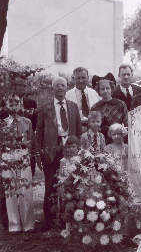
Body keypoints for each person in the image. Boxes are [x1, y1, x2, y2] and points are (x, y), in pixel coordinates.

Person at [35, 77, 82, 230]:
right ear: (53, 89)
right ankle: (48, 220)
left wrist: (79, 151)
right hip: (51, 150)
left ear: (66, 87)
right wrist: (39, 152)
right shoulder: (45, 107)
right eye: (57, 86)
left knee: (72, 184)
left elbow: (79, 130)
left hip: (70, 148)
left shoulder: (73, 106)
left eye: (63, 85)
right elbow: (39, 131)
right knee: (50, 185)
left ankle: (69, 219)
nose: (60, 88)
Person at [2, 93, 35, 233]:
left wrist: (28, 152)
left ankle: (28, 224)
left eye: (16, 103)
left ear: (20, 105)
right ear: (6, 106)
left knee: (25, 190)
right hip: (8, 156)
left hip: (23, 155)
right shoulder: (3, 123)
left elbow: (31, 141)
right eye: (11, 104)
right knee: (11, 190)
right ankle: (14, 224)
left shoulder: (27, 121)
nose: (14, 106)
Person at [91, 79, 128, 144]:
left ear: (111, 89)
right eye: (102, 89)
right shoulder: (95, 107)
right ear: (98, 91)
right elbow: (92, 127)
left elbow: (127, 122)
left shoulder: (120, 104)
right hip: (101, 140)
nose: (105, 91)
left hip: (118, 138)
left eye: (107, 88)